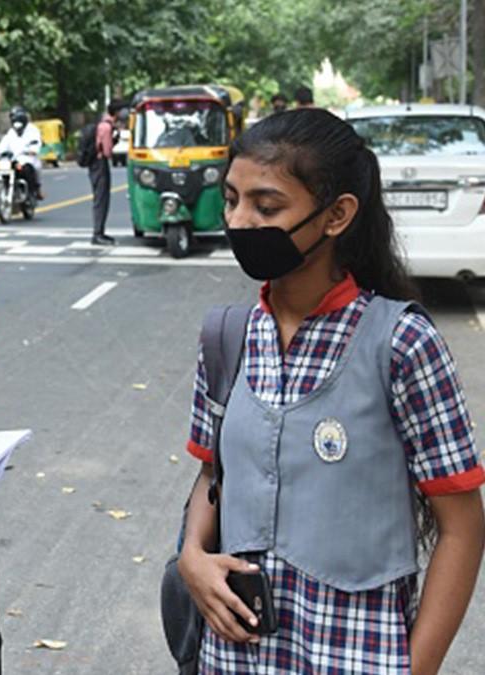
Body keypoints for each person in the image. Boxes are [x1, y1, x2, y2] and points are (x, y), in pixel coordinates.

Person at [178, 109, 485, 674]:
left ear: (337, 215)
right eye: (230, 199)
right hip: (236, 659)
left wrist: (417, 668)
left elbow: (462, 527)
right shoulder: (228, 336)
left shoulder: (402, 342)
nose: (240, 221)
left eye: (266, 207)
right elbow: (210, 477)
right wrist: (191, 558)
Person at [0, 105, 43, 201]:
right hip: (13, 160)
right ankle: (8, 189)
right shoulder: (11, 132)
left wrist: (32, 150)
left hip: (27, 159)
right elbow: (4, 144)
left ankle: (32, 192)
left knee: (29, 170)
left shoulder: (33, 130)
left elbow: (36, 143)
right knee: (2, 171)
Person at [90, 101, 122, 246]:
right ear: (117, 113)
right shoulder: (106, 127)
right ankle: (97, 234)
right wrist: (114, 140)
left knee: (101, 197)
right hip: (100, 164)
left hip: (95, 164)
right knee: (101, 199)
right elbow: (107, 151)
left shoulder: (102, 123)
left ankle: (100, 232)